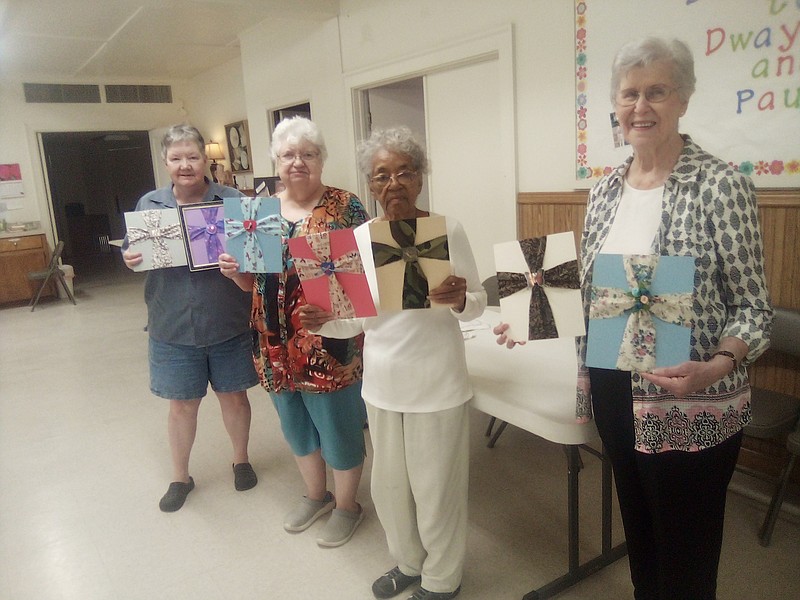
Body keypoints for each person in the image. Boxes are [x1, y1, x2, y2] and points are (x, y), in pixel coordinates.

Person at [498, 37, 773, 599]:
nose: (640, 106)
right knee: (642, 532)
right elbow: (595, 294)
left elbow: (754, 308)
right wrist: (528, 318)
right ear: (615, 106)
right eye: (629, 94)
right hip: (613, 385)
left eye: (657, 91)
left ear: (684, 99)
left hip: (692, 397)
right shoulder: (603, 191)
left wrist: (717, 365)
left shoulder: (721, 186)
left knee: (688, 548)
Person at [299, 127, 486, 600]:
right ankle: (408, 562)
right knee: (388, 488)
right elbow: (355, 322)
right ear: (371, 185)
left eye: (404, 172)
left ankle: (443, 579)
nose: (393, 183)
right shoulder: (357, 240)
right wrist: (323, 321)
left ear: (420, 177)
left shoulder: (447, 229)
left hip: (438, 381)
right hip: (382, 384)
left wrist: (463, 300)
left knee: (436, 488)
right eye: (381, 175)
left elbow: (480, 302)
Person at [219, 117, 369, 548]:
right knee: (295, 424)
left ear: (321, 159)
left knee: (338, 425)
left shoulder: (345, 206)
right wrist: (235, 273)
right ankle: (316, 495)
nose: (297, 162)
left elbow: (365, 279)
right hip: (272, 340)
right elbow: (251, 283)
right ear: (276, 161)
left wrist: (335, 310)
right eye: (288, 155)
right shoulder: (258, 211)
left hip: (329, 340)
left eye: (308, 153)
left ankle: (347, 506)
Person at [123, 124, 259, 512]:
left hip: (227, 321)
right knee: (181, 405)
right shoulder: (150, 205)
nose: (185, 165)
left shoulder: (232, 200)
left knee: (234, 397)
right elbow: (136, 252)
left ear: (205, 159)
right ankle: (180, 477)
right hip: (171, 325)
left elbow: (253, 266)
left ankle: (241, 459)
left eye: (193, 156)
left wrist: (241, 265)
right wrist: (129, 257)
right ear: (165, 162)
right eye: (176, 158)